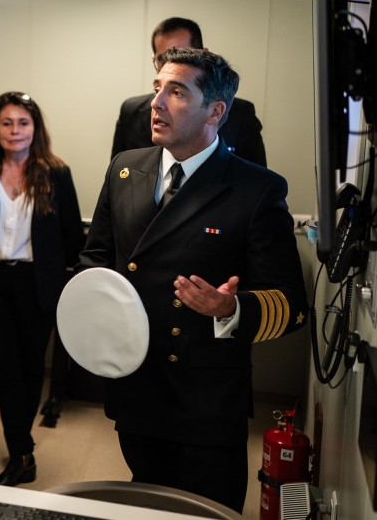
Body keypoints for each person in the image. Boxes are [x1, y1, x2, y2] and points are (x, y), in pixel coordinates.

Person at [78, 48, 307, 512]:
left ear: (215, 111)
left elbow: (291, 304)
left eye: (177, 91)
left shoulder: (256, 188)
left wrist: (232, 308)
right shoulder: (126, 169)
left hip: (205, 398)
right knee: (145, 501)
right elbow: (96, 260)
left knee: (206, 509)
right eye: (157, 87)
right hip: (136, 383)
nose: (156, 102)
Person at [0, 92, 85, 486]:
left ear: (35, 128)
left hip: (38, 285)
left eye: (23, 123)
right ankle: (22, 452)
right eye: (7, 123)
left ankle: (21, 449)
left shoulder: (56, 173)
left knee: (29, 370)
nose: (15, 131)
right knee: (4, 369)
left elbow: (73, 237)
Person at [111, 17, 266, 166]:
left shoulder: (240, 113)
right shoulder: (132, 111)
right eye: (163, 58)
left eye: (184, 54)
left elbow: (255, 182)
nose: (173, 63)